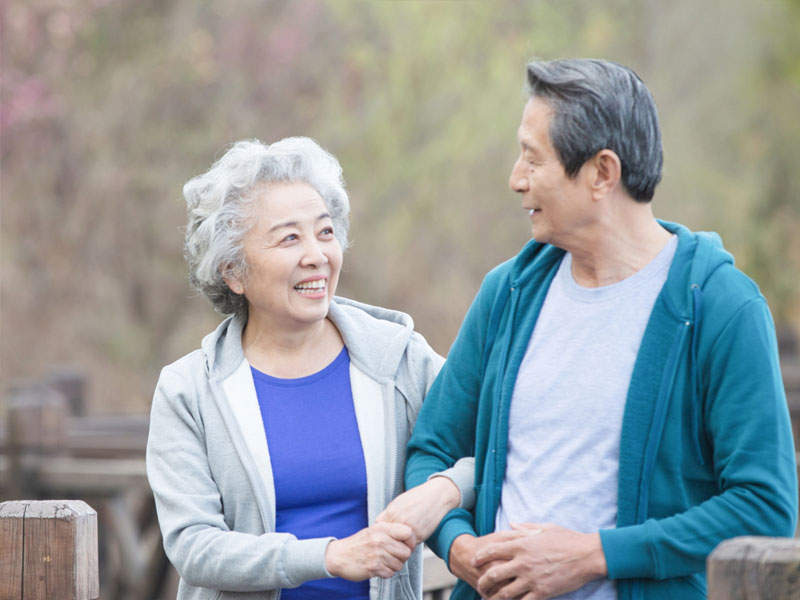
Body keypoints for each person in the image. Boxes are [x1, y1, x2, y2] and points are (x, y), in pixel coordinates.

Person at [403, 59, 798, 600]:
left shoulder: (722, 308)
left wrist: (593, 556)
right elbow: (430, 448)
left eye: (532, 159)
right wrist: (457, 546)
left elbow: (765, 506)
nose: (516, 179)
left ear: (602, 173)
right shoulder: (508, 294)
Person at [146, 136, 474, 600]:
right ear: (233, 272)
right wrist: (329, 557)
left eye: (325, 232)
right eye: (289, 238)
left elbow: (495, 444)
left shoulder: (398, 360)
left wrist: (443, 491)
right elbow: (195, 546)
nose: (317, 255)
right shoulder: (188, 391)